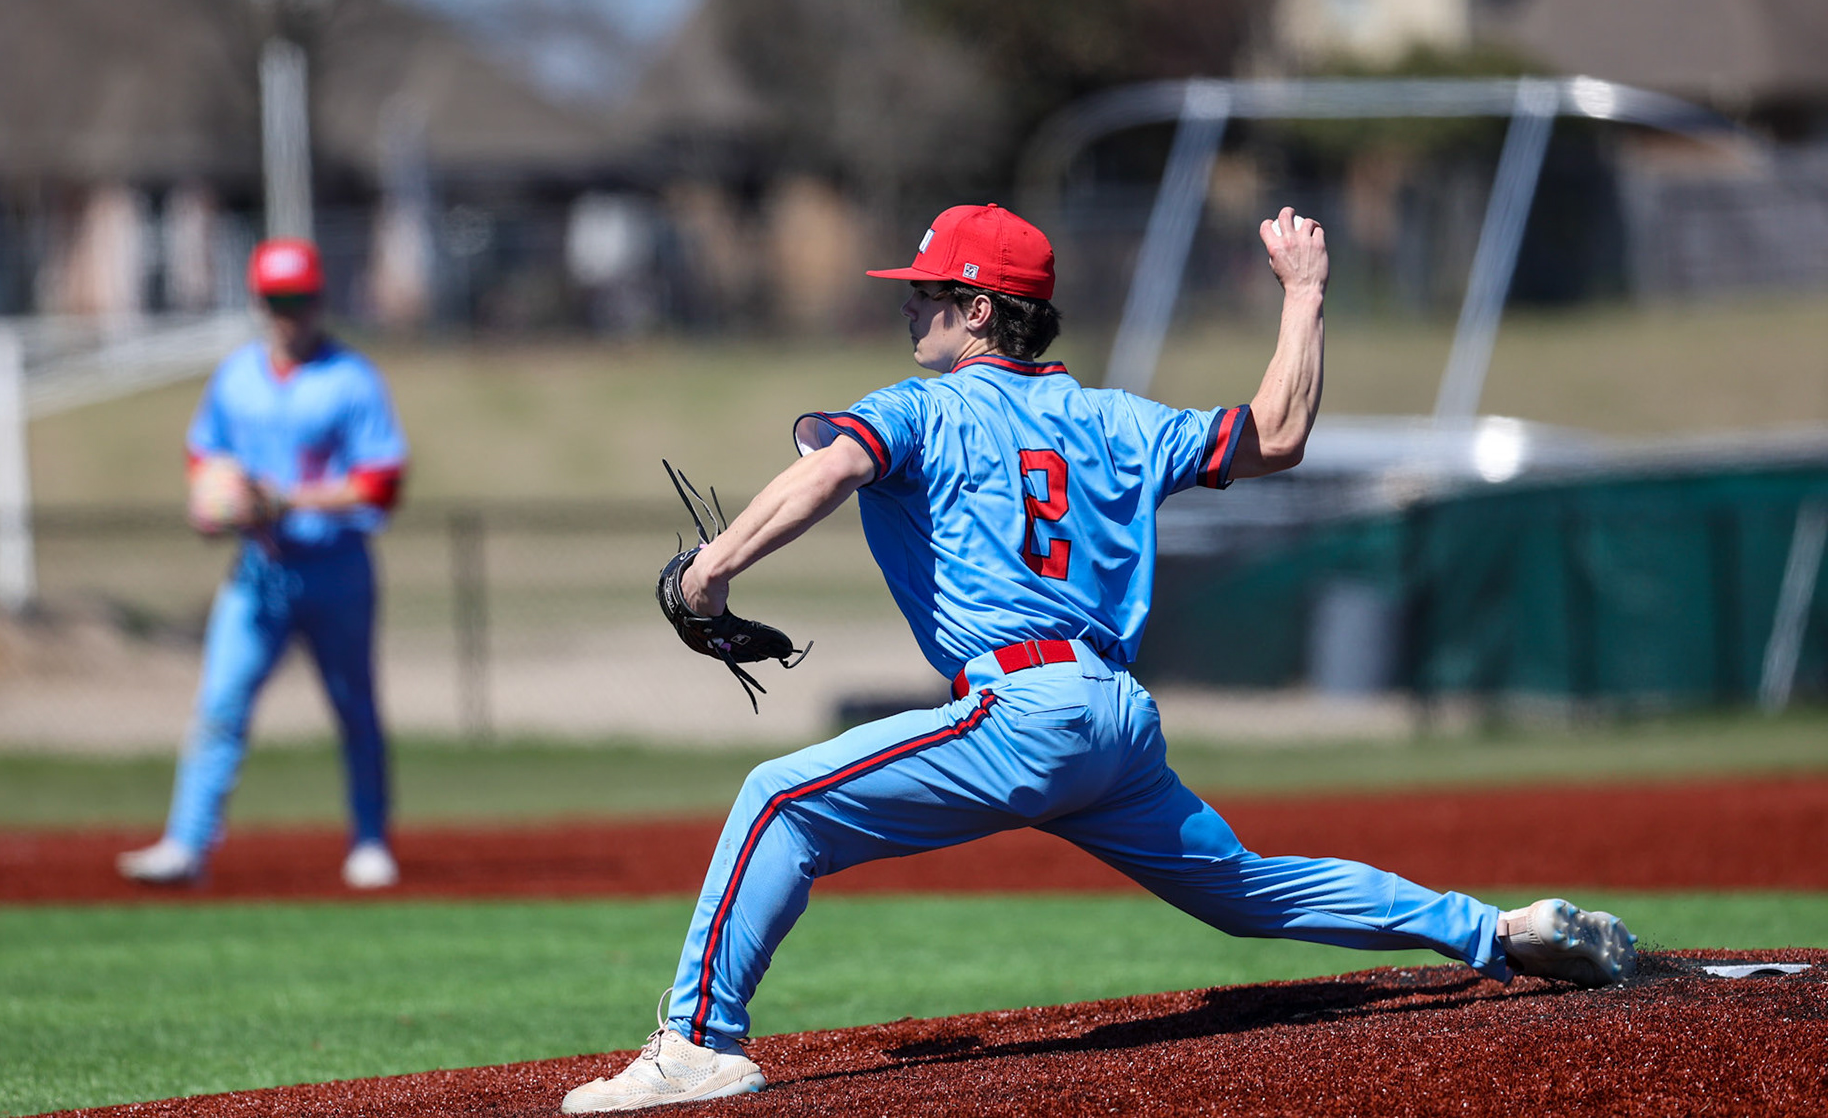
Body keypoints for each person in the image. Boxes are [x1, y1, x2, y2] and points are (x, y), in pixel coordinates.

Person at [560, 204, 1637, 1113]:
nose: (910, 304)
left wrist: (712, 572)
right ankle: (1497, 931)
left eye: (931, 292)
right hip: (1113, 717)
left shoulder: (922, 405)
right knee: (1247, 889)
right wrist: (1302, 292)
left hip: (1019, 708)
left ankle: (696, 1040)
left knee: (776, 800)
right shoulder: (1115, 416)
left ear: (981, 311)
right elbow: (1277, 433)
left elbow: (833, 465)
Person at [118, 238, 409, 890]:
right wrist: (215, 504)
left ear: (319, 301)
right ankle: (187, 845)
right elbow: (207, 458)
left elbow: (382, 483)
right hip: (260, 570)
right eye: (277, 302)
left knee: (354, 708)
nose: (288, 315)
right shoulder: (236, 379)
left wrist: (288, 499)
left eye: (299, 301)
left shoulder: (351, 379)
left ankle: (369, 840)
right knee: (220, 702)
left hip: (336, 565)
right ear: (259, 303)